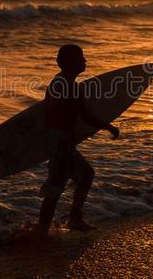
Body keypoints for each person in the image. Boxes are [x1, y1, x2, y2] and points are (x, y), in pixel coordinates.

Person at [38, 44, 120, 239]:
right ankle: (40, 233)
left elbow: (82, 114)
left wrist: (107, 126)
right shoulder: (60, 85)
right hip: (59, 143)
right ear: (71, 62)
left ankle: (75, 218)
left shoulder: (71, 84)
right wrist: (105, 126)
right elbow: (59, 117)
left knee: (85, 174)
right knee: (55, 189)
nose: (85, 61)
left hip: (66, 142)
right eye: (81, 58)